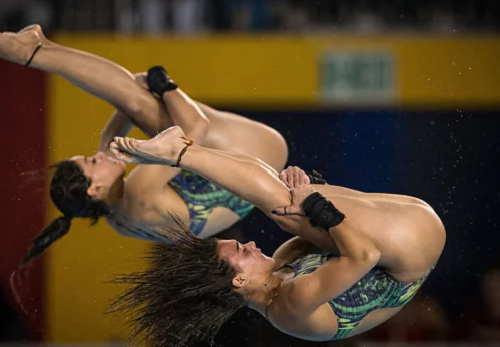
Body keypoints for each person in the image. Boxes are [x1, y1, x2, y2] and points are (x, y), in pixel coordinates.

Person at [0, 25, 288, 266]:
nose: (99, 156)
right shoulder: (138, 192)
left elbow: (118, 126)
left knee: (139, 105)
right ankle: (34, 52)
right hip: (261, 154)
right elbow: (197, 128)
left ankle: (40, 48)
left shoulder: (118, 214)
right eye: (92, 161)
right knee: (148, 107)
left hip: (240, 174)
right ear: (94, 190)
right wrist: (166, 86)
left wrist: (134, 96)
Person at [106, 126, 445, 346]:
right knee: (284, 206)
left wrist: (308, 188)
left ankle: (182, 150)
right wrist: (313, 203)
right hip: (412, 249)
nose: (252, 244)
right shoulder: (290, 305)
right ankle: (179, 153)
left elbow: (326, 228)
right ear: (238, 282)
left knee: (286, 204)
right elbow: (363, 255)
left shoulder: (281, 262)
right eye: (241, 250)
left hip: (404, 228)